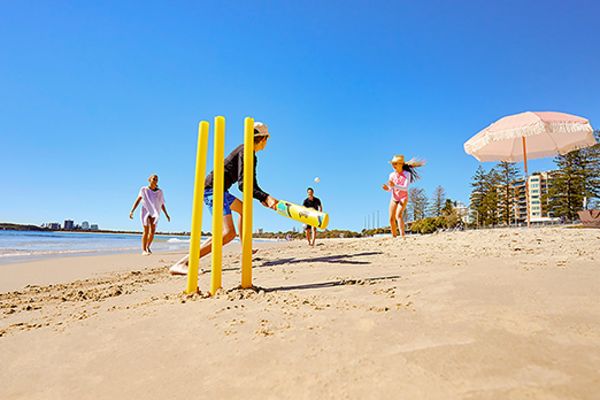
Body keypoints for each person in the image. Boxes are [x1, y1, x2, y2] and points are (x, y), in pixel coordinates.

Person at [169, 122, 278, 275]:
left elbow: (251, 184)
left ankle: (245, 246)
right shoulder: (246, 151)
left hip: (221, 190)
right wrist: (265, 197)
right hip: (213, 190)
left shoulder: (248, 151)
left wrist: (263, 198)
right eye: (267, 139)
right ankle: (182, 263)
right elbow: (243, 185)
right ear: (263, 139)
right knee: (228, 233)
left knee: (244, 210)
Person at [382, 155, 424, 238]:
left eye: (395, 163)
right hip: (394, 197)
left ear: (401, 164)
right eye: (393, 164)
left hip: (403, 197)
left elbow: (405, 188)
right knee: (391, 219)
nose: (393, 165)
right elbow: (391, 189)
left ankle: (403, 236)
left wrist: (394, 185)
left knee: (399, 215)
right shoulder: (391, 175)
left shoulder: (407, 174)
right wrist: (387, 188)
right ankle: (394, 237)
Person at [130, 174, 171, 255]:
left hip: (155, 212)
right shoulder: (144, 189)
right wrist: (132, 211)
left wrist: (166, 214)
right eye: (154, 179)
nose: (155, 180)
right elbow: (138, 200)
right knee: (146, 230)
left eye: (156, 179)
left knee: (152, 231)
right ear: (149, 180)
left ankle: (148, 246)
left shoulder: (160, 192)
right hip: (145, 211)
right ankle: (144, 250)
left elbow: (162, 204)